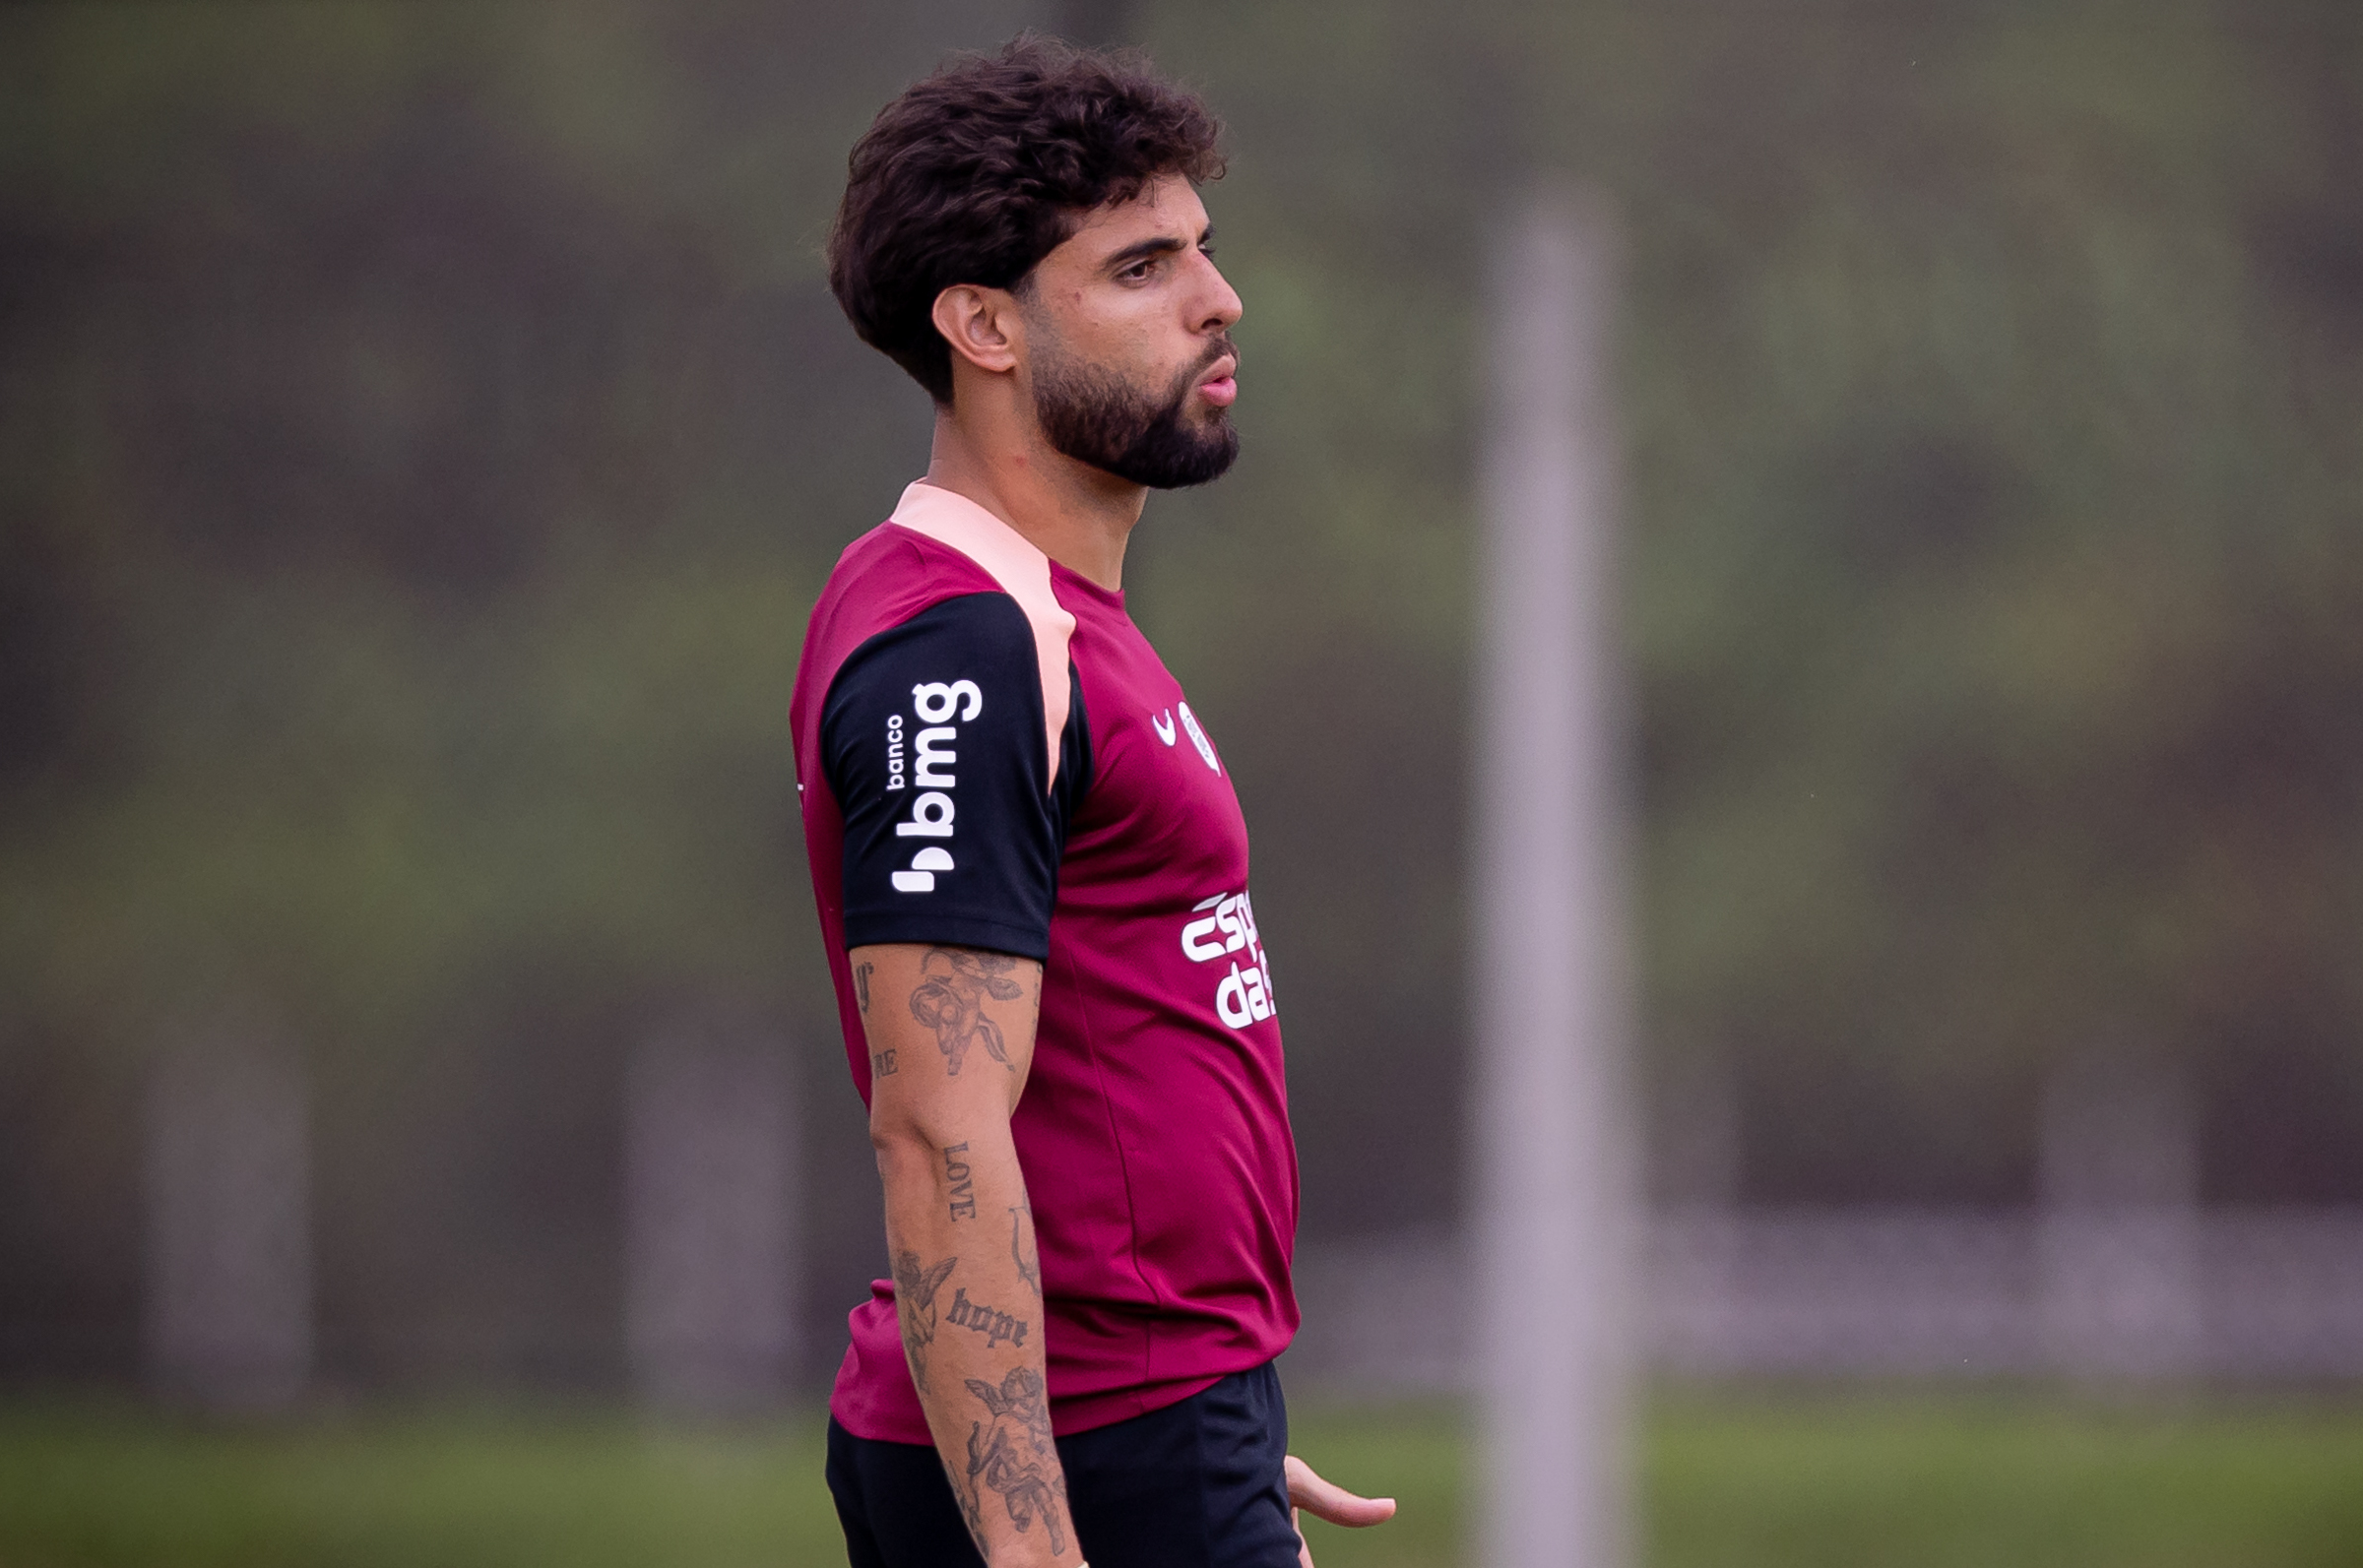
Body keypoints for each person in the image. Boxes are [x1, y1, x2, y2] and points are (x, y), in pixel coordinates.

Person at [792, 36, 1396, 1568]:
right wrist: (1052, 1528)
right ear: (982, 325)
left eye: (1204, 249)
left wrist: (1218, 1432)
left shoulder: (1049, 613)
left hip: (1152, 1425)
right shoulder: (966, 645)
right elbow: (937, 1129)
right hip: (1085, 1454)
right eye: (1141, 267)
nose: (1218, 298)